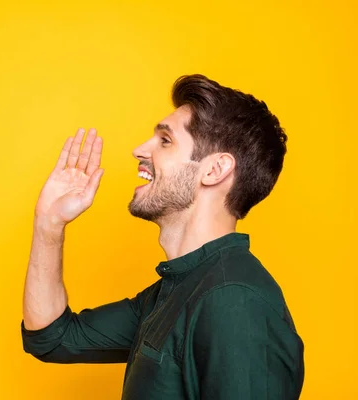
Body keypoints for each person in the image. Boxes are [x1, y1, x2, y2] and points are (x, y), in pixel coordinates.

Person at [20, 74, 304, 399]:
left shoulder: (234, 302)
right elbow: (52, 338)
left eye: (165, 140)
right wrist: (49, 223)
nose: (139, 150)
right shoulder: (177, 288)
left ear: (214, 170)